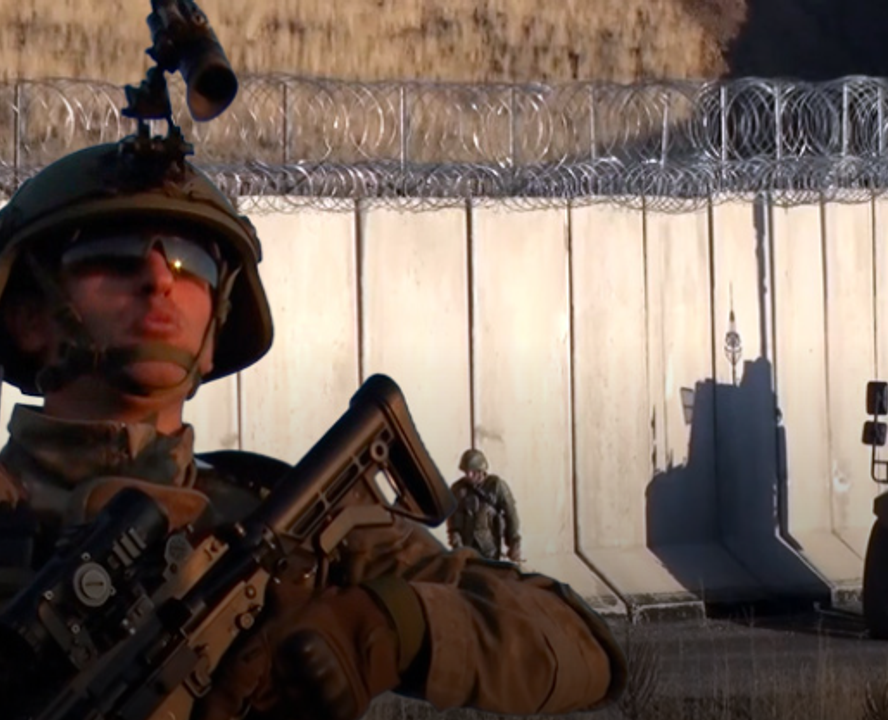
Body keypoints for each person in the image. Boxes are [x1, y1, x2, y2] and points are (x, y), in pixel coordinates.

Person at [0, 121, 625, 719]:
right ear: (27, 317)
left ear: (215, 333)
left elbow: (580, 642)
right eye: (114, 256)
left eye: (194, 264)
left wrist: (388, 626)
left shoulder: (275, 527)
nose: (160, 279)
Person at [447, 448, 522, 563]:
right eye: (466, 472)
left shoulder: (496, 486)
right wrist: (456, 541)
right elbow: (453, 518)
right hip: (466, 548)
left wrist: (514, 543)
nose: (469, 475)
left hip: (490, 548)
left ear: (481, 471)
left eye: (473, 472)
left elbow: (510, 514)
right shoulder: (458, 489)